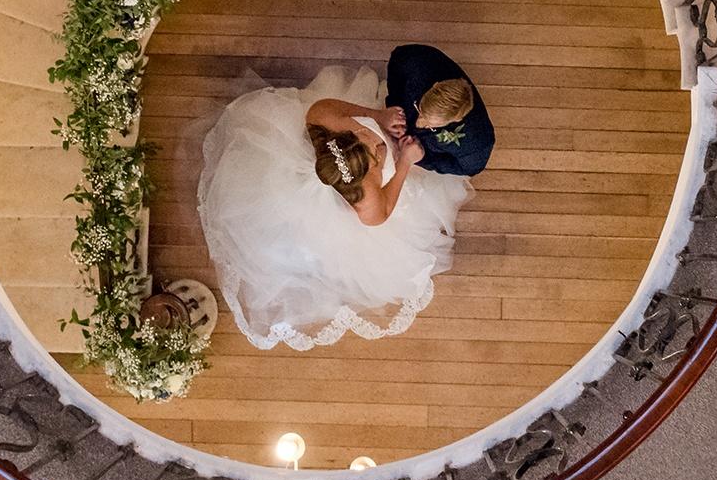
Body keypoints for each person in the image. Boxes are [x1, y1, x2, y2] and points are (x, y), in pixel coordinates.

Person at [196, 65, 473, 350]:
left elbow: (328, 106)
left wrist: (377, 116)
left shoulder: (323, 121)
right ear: (365, 175)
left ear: (345, 139)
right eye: (377, 154)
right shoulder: (367, 199)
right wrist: (404, 162)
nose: (379, 144)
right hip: (360, 190)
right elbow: (385, 210)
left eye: (366, 138)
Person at [382, 44, 495, 177]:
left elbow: (468, 169)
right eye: (420, 109)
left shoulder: (476, 144)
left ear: (457, 119)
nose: (420, 122)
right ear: (435, 86)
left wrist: (422, 158)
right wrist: (394, 105)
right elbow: (398, 61)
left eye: (429, 124)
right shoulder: (415, 61)